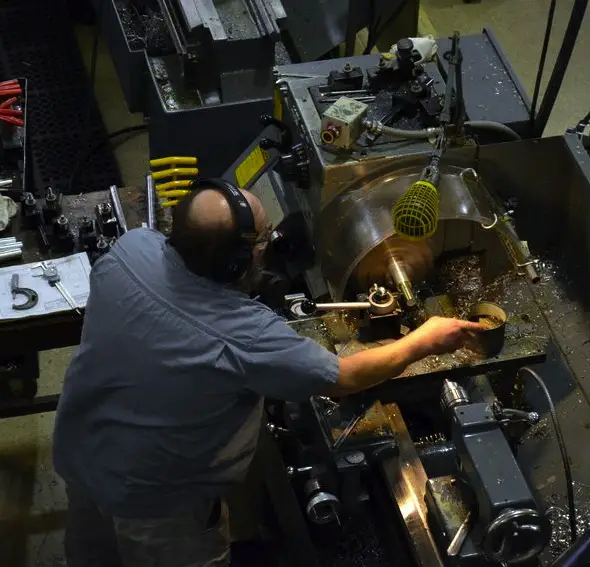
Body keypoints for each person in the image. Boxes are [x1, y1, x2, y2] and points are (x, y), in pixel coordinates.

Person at [53, 178, 484, 567]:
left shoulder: (132, 249)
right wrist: (421, 341)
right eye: (260, 238)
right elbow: (345, 376)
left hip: (82, 456)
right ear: (239, 259)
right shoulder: (246, 336)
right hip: (160, 504)